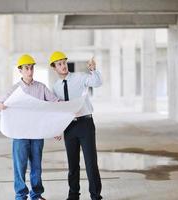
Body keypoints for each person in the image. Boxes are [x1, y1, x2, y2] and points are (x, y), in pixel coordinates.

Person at [0, 54, 59, 200]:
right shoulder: (15, 90)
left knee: (36, 167)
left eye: (31, 67)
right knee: (20, 167)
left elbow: (55, 103)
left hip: (37, 134)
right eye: (26, 68)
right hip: (20, 135)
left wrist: (68, 109)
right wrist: (0, 105)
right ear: (20, 70)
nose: (30, 71)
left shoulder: (41, 88)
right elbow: (0, 104)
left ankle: (36, 195)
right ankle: (20, 195)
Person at [50, 51, 103, 200]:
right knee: (73, 164)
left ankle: (95, 196)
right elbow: (58, 110)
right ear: (55, 68)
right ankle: (73, 195)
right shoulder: (55, 88)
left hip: (85, 123)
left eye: (64, 63)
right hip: (69, 127)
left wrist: (93, 70)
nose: (63, 66)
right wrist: (57, 128)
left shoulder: (79, 77)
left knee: (91, 162)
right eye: (59, 64)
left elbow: (97, 82)